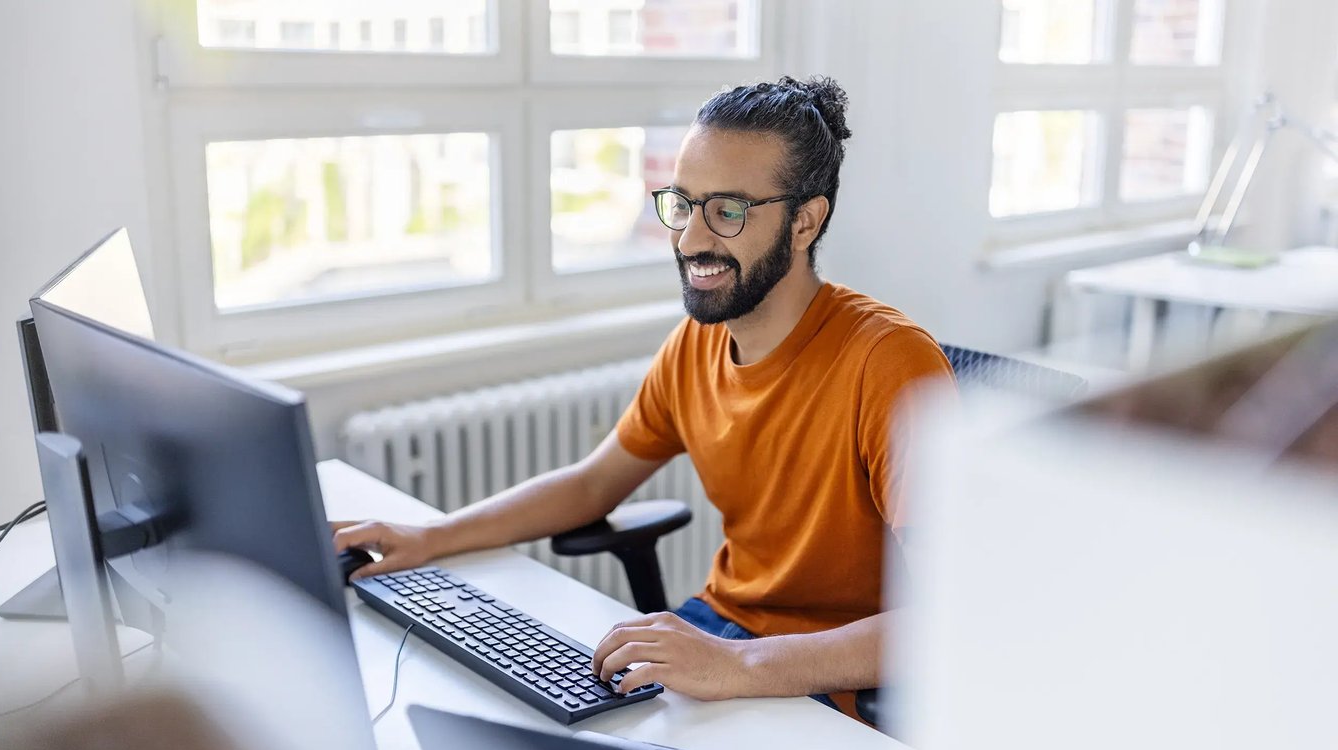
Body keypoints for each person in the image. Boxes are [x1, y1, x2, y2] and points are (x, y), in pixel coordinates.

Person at [333, 75, 955, 716]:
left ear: (805, 221)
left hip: (835, 673)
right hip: (723, 631)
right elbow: (592, 485)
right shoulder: (695, 344)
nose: (689, 239)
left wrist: (739, 664)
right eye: (683, 203)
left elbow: (956, 615)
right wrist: (431, 537)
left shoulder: (891, 365)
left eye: (729, 211)